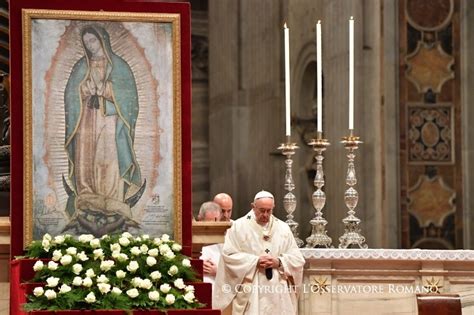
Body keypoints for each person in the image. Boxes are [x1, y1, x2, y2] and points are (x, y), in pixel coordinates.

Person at [63, 25, 144, 236]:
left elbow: (130, 99)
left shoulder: (119, 67)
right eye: (87, 42)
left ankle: (112, 200)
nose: (90, 46)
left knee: (108, 158)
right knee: (87, 159)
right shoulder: (81, 66)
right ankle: (87, 196)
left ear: (103, 40)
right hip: (86, 121)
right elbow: (71, 95)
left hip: (110, 121)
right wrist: (83, 90)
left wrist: (108, 90)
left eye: (93, 41)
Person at [213, 190, 305, 315]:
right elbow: (229, 256)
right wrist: (255, 261)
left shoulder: (283, 228)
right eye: (262, 210)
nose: (265, 214)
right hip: (251, 291)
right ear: (253, 206)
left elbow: (297, 259)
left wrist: (279, 262)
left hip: (278, 291)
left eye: (269, 210)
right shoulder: (238, 227)